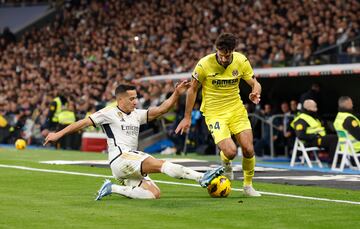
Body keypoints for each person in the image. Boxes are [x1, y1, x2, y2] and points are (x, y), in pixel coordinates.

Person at [44, 82, 224, 200]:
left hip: (129, 162)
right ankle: (201, 178)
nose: (136, 102)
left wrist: (176, 93)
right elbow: (81, 123)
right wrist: (57, 134)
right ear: (120, 100)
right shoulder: (109, 113)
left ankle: (113, 188)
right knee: (160, 163)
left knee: (154, 194)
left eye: (136, 98)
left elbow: (162, 109)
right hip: (120, 158)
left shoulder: (136, 114)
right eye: (131, 99)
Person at [175, 33, 262, 197]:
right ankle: (226, 163)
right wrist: (187, 117)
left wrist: (255, 92)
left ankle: (247, 186)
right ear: (216, 50)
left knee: (249, 149)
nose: (223, 59)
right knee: (230, 151)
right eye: (221, 55)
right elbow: (192, 89)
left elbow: (255, 82)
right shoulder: (204, 64)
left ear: (233, 51)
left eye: (227, 55)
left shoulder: (241, 61)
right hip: (214, 113)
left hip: (236, 109)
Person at [290, 99, 338, 165]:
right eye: (314, 107)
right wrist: (314, 136)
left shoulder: (313, 117)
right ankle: (334, 163)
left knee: (336, 137)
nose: (316, 109)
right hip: (311, 141)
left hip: (319, 138)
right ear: (308, 108)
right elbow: (300, 135)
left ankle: (340, 161)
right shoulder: (301, 119)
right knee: (334, 139)